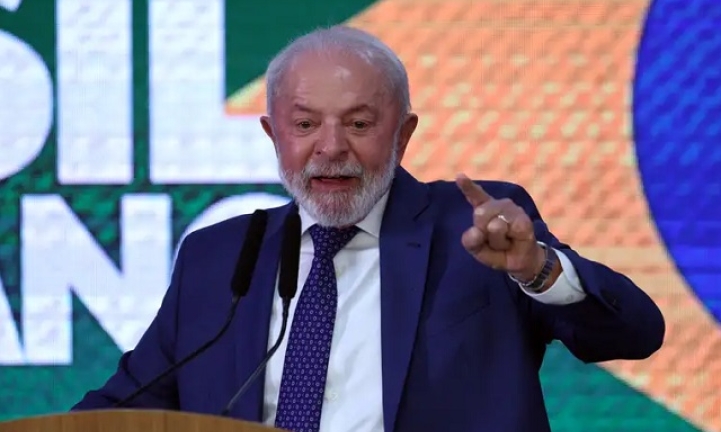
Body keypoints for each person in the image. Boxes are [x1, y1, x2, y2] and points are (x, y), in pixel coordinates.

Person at [71, 25, 665, 432]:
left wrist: (538, 269)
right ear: (273, 135)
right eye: (305, 124)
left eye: (358, 124)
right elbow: (127, 406)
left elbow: (635, 333)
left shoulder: (477, 233)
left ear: (403, 135)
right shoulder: (218, 256)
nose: (331, 148)